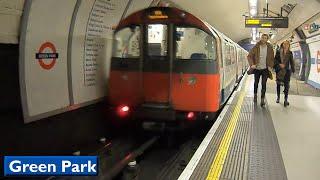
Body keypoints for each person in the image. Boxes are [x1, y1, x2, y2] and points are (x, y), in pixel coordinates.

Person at [247, 34, 275, 107]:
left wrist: (270, 66)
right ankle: (255, 95)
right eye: (263, 38)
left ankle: (262, 99)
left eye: (265, 38)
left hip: (265, 69)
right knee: (256, 82)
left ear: (267, 39)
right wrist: (252, 64)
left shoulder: (269, 47)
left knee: (264, 84)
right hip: (257, 69)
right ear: (261, 38)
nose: (264, 39)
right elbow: (249, 56)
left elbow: (272, 58)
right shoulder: (256, 46)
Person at [274, 40, 295, 107]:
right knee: (278, 84)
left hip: (287, 71)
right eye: (284, 44)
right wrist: (279, 64)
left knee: (287, 86)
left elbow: (291, 62)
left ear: (289, 45)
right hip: (279, 70)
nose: (286, 45)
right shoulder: (278, 52)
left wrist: (293, 69)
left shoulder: (290, 53)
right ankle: (278, 97)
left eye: (287, 44)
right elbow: (275, 60)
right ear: (282, 44)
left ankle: (285, 99)